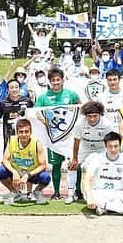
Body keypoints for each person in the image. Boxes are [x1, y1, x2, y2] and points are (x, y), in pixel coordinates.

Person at [35, 68, 81, 199]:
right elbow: (36, 111)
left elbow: (80, 108)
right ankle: (56, 192)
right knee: (56, 165)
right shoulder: (43, 97)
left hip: (69, 136)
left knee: (74, 163)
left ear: (62, 80)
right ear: (49, 82)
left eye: (58, 80)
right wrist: (43, 121)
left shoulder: (71, 94)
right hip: (53, 137)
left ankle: (78, 191)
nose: (56, 82)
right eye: (53, 80)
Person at [81, 132, 123, 217]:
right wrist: (89, 197)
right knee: (88, 193)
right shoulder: (97, 158)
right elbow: (87, 179)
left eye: (116, 146)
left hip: (119, 194)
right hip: (100, 193)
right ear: (105, 146)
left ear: (120, 145)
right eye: (110, 146)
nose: (113, 149)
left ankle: (105, 207)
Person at [68, 101, 117, 204]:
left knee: (106, 167)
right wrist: (75, 158)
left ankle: (106, 192)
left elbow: (110, 143)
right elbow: (76, 141)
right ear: (85, 116)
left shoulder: (107, 124)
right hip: (85, 147)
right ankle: (71, 194)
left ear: (100, 114)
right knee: (71, 165)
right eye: (89, 116)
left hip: (101, 148)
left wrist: (111, 158)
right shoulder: (79, 123)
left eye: (95, 116)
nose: (92, 119)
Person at [0, 118, 51, 205]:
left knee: (46, 177)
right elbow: (5, 160)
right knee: (0, 170)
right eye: (21, 132)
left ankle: (36, 192)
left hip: (31, 173)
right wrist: (14, 172)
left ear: (31, 132)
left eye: (26, 131)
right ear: (17, 132)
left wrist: (28, 175)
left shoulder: (37, 143)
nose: (24, 134)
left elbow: (43, 165)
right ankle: (14, 193)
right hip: (17, 171)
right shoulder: (11, 140)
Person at [0, 79, 33, 150]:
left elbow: (34, 114)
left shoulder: (27, 101)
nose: (14, 89)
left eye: (16, 87)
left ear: (19, 88)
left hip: (25, 133)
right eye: (11, 87)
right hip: (9, 134)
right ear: (8, 89)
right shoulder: (3, 103)